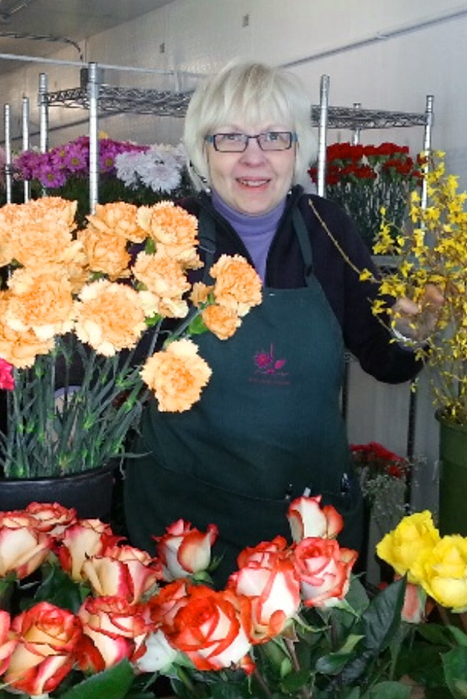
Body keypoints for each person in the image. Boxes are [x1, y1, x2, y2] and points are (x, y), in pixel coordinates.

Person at [123, 59, 441, 582]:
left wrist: (411, 333)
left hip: (310, 520)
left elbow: (384, 357)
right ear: (203, 149)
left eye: (275, 137)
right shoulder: (167, 235)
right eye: (230, 138)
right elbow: (113, 366)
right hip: (186, 521)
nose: (254, 157)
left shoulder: (326, 228)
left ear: (299, 149)